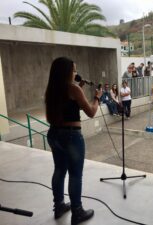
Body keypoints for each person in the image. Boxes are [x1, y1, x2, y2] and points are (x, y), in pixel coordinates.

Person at [45, 57, 101, 224]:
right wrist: (97, 97)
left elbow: (62, 108)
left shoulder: (52, 89)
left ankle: (59, 206)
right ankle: (77, 212)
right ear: (67, 72)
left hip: (54, 134)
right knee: (75, 175)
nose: (76, 73)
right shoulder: (73, 89)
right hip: (71, 135)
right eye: (74, 70)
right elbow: (91, 112)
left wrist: (79, 89)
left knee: (59, 170)